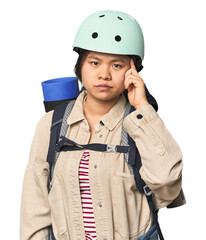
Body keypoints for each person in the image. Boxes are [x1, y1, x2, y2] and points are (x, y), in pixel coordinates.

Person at [20, 10, 183, 240]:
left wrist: (143, 109)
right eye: (94, 62)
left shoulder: (141, 124)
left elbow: (168, 184)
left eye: (117, 65)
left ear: (133, 71)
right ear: (80, 66)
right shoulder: (51, 125)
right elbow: (35, 208)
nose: (104, 74)